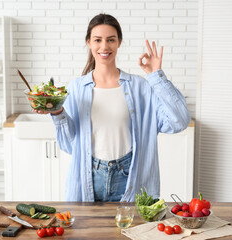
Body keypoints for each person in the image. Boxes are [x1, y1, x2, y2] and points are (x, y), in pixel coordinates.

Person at [34, 14, 190, 202]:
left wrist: (156, 75)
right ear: (89, 43)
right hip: (89, 178)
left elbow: (179, 121)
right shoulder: (76, 88)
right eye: (98, 40)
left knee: (132, 230)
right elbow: (69, 145)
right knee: (88, 231)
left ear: (119, 43)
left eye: (111, 40)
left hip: (130, 178)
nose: (104, 46)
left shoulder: (139, 87)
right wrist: (57, 113)